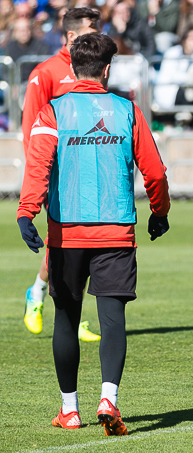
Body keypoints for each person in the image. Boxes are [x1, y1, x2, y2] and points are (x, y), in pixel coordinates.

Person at [17, 32, 170, 435]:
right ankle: (108, 399)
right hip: (116, 231)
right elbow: (155, 172)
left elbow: (37, 165)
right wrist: (159, 211)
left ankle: (69, 410)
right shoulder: (127, 110)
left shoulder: (53, 111)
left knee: (66, 320)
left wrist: (26, 212)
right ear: (107, 70)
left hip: (66, 233)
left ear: (72, 68)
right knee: (113, 318)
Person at [21, 7, 102, 341]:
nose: (98, 36)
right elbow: (32, 130)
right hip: (57, 174)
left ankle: (43, 294)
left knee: (87, 241)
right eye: (91, 30)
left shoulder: (95, 69)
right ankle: (44, 295)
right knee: (65, 243)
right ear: (71, 35)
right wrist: (40, 177)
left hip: (89, 170)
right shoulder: (45, 73)